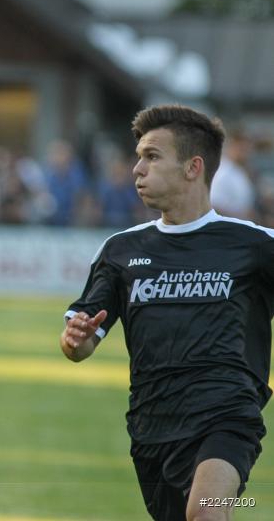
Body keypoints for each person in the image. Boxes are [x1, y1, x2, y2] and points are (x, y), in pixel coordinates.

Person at [60, 105, 274, 521]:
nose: (137, 168)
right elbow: (80, 343)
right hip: (152, 426)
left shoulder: (255, 245)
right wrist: (75, 337)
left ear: (193, 167)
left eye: (152, 156)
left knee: (206, 513)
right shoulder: (121, 250)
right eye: (138, 156)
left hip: (227, 417)